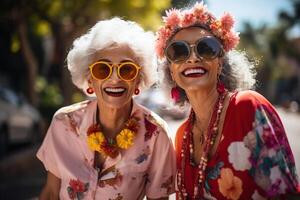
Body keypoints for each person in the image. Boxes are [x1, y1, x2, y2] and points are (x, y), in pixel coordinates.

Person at [155, 2, 299, 199]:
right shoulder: (181, 136)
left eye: (206, 48)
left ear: (220, 63)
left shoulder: (248, 107)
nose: (193, 58)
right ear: (171, 70)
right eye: (179, 51)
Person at [37, 17, 176, 200]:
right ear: (90, 79)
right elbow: (50, 193)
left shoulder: (156, 134)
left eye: (126, 70)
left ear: (137, 80)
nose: (115, 78)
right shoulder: (64, 123)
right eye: (103, 69)